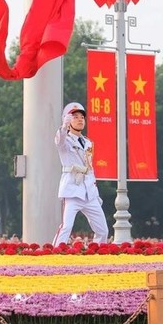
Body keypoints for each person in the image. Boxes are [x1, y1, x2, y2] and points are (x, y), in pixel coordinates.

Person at [52, 102, 108, 246]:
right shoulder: (66, 140)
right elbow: (59, 141)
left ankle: (97, 254)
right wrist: (64, 127)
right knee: (66, 226)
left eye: (82, 117)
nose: (80, 119)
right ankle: (56, 253)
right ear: (68, 120)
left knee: (102, 230)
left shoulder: (88, 142)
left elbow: (90, 168)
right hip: (72, 189)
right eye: (75, 117)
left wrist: (96, 192)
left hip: (89, 191)